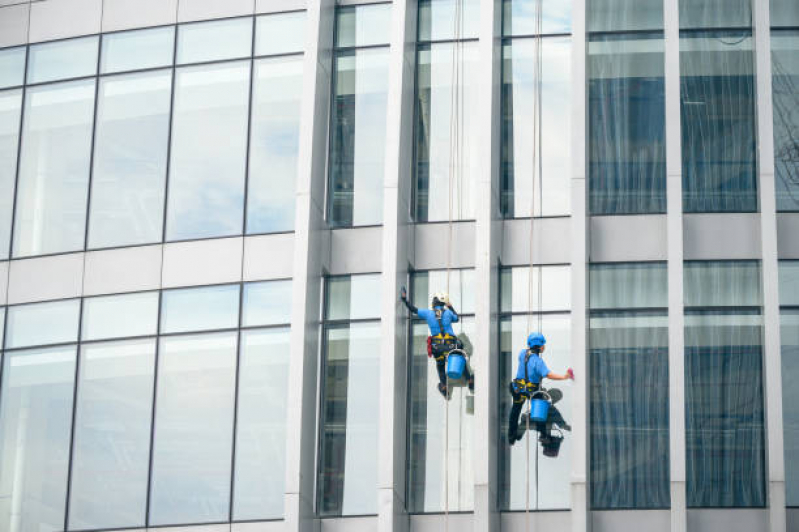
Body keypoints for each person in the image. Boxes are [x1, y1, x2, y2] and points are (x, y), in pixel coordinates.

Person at [400, 287, 474, 397]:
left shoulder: (428, 313)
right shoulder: (448, 313)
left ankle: (444, 385)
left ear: (434, 301)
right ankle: (469, 380)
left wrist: (404, 300)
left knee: (440, 366)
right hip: (451, 345)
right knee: (460, 357)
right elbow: (457, 318)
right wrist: (450, 306)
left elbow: (413, 309)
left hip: (437, 347)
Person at [507, 332, 573, 446]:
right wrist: (564, 377)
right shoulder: (538, 362)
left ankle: (511, 437)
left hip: (517, 388)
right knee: (540, 409)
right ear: (540, 346)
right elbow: (549, 374)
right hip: (530, 391)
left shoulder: (523, 353)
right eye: (543, 345)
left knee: (515, 411)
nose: (544, 347)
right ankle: (543, 434)